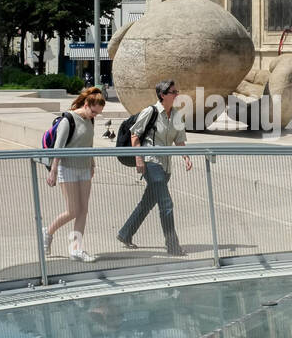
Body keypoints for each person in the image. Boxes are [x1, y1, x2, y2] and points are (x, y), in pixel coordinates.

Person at [117, 80, 192, 257]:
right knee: (166, 204)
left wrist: (186, 156)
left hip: (166, 165)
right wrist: (139, 159)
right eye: (173, 92)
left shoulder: (176, 115)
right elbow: (135, 135)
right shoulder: (150, 112)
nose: (176, 94)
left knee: (147, 202)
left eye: (176, 91)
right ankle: (172, 245)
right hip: (151, 162)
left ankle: (125, 233)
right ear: (162, 95)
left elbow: (179, 139)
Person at [44, 87, 106, 261]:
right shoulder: (68, 120)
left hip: (84, 168)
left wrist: (92, 164)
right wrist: (53, 171)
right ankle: (47, 233)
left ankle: (75, 249)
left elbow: (89, 144)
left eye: (98, 113)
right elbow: (58, 147)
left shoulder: (90, 120)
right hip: (67, 168)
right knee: (72, 210)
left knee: (83, 210)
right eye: (93, 111)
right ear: (86, 104)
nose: (95, 116)